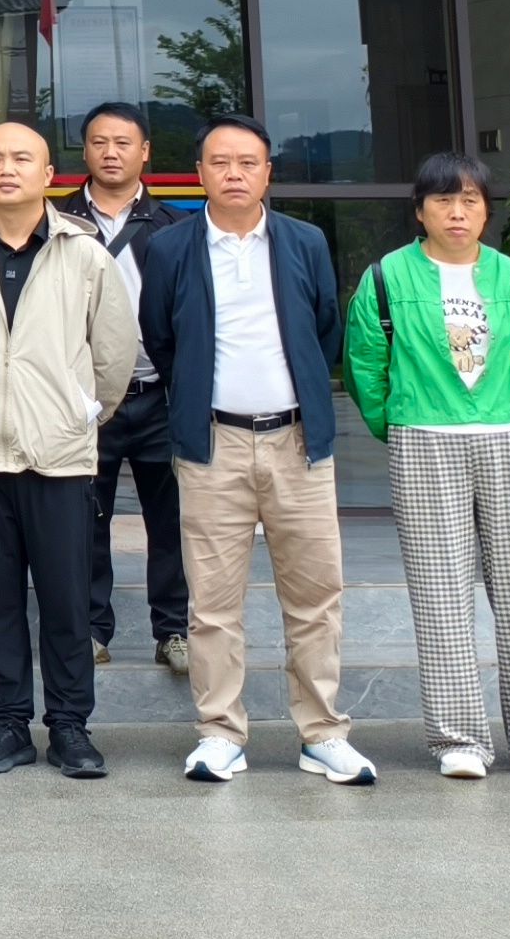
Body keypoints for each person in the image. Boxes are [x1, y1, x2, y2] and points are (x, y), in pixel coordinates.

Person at [128, 119, 367, 786]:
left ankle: (322, 733)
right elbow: (160, 336)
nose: (234, 173)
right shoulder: (170, 247)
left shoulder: (305, 241)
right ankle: (220, 733)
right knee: (211, 604)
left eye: (248, 163)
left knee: (315, 596)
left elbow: (325, 330)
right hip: (213, 445)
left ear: (267, 173)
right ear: (199, 173)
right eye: (220, 162)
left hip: (298, 443)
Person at [348, 149, 510, 782]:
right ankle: (459, 740)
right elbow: (366, 364)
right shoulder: (387, 277)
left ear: (486, 211)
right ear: (420, 211)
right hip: (424, 439)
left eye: (470, 200)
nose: (457, 212)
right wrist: (402, 423)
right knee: (440, 595)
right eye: (443, 200)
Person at [0, 121, 139, 780]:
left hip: (59, 455)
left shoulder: (85, 254)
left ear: (49, 175)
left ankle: (71, 726)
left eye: (22, 158)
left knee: (66, 599)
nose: (7, 168)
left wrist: (77, 414)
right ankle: (8, 725)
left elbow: (113, 354)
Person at [69, 101, 187, 676]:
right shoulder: (58, 221)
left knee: (172, 520)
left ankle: (174, 630)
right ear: (84, 150)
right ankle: (92, 629)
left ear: (145, 152)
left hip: (159, 395)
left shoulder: (176, 226)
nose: (111, 153)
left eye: (123, 143)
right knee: (85, 519)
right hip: (87, 401)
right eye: (99, 142)